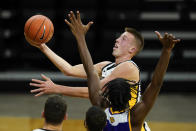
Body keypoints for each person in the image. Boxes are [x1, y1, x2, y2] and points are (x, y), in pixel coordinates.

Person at [63, 11, 180, 131]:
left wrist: (80, 37)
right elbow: (156, 84)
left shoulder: (99, 108)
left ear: (105, 94)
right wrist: (166, 50)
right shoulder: (134, 118)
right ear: (130, 96)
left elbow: (91, 72)